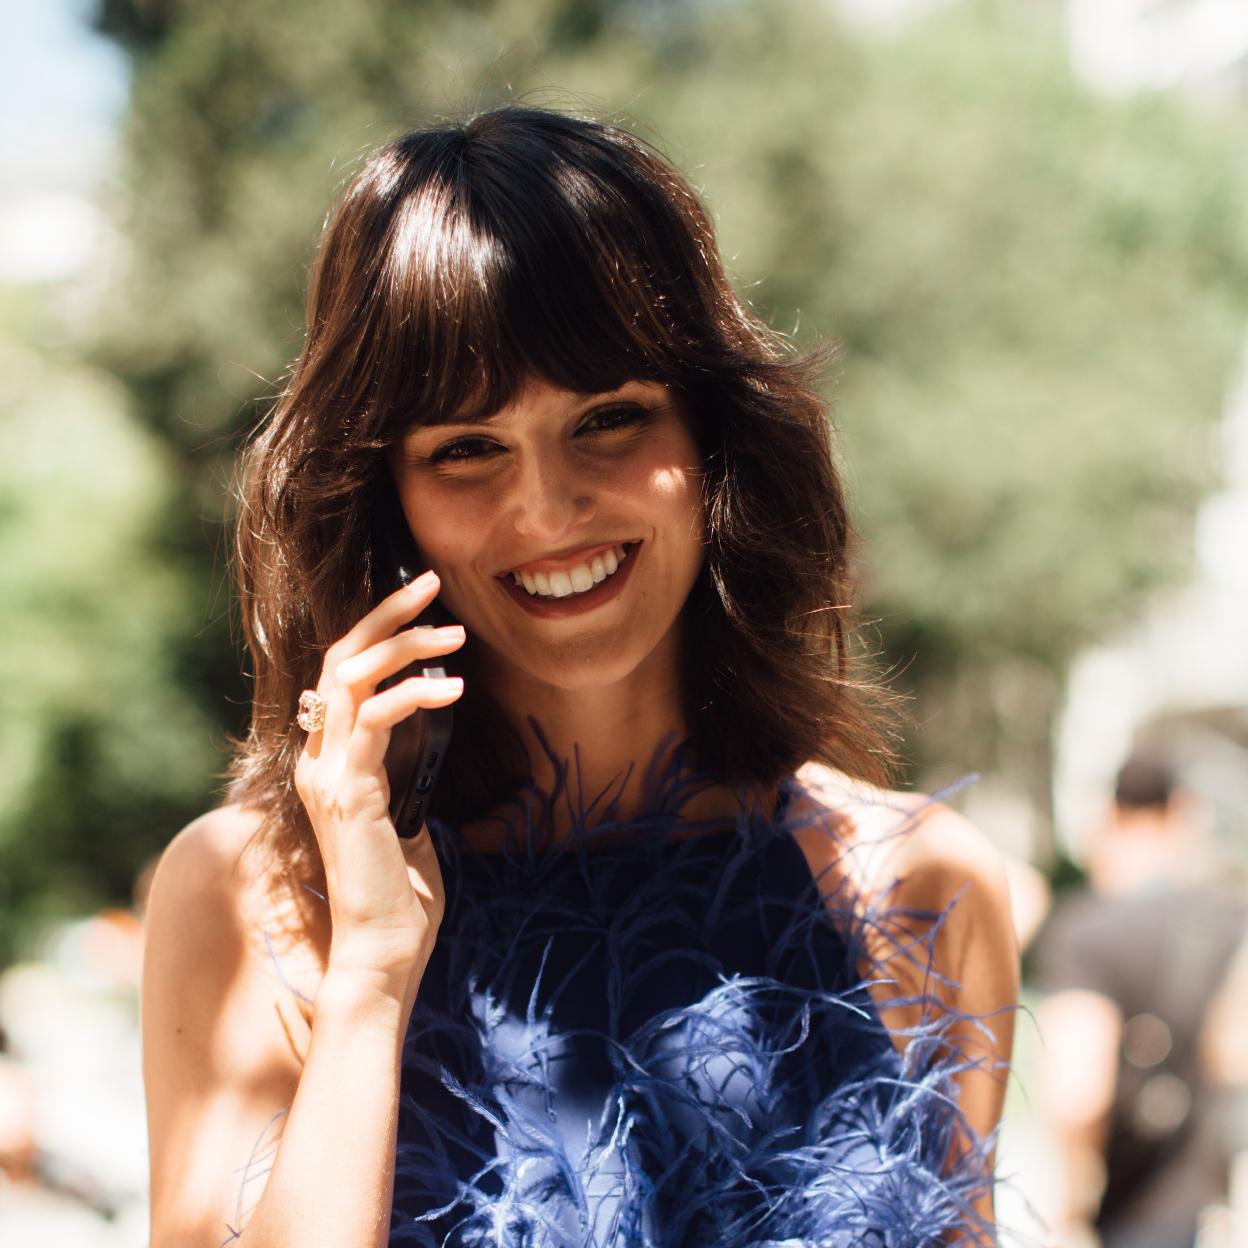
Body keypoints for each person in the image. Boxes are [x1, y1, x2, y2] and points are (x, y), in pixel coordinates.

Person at [139, 105, 1019, 1247]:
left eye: (608, 418)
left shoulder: (921, 885)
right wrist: (370, 972)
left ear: (712, 441)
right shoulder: (251, 895)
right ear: (383, 496)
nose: (547, 509)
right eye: (465, 447)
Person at [1033, 750, 1247, 1248]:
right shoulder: (1228, 922)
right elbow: (1230, 1057)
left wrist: (1071, 1214)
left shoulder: (1086, 933)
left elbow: (1077, 1094)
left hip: (1125, 1214)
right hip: (1200, 1212)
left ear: (1109, 815)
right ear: (1181, 812)